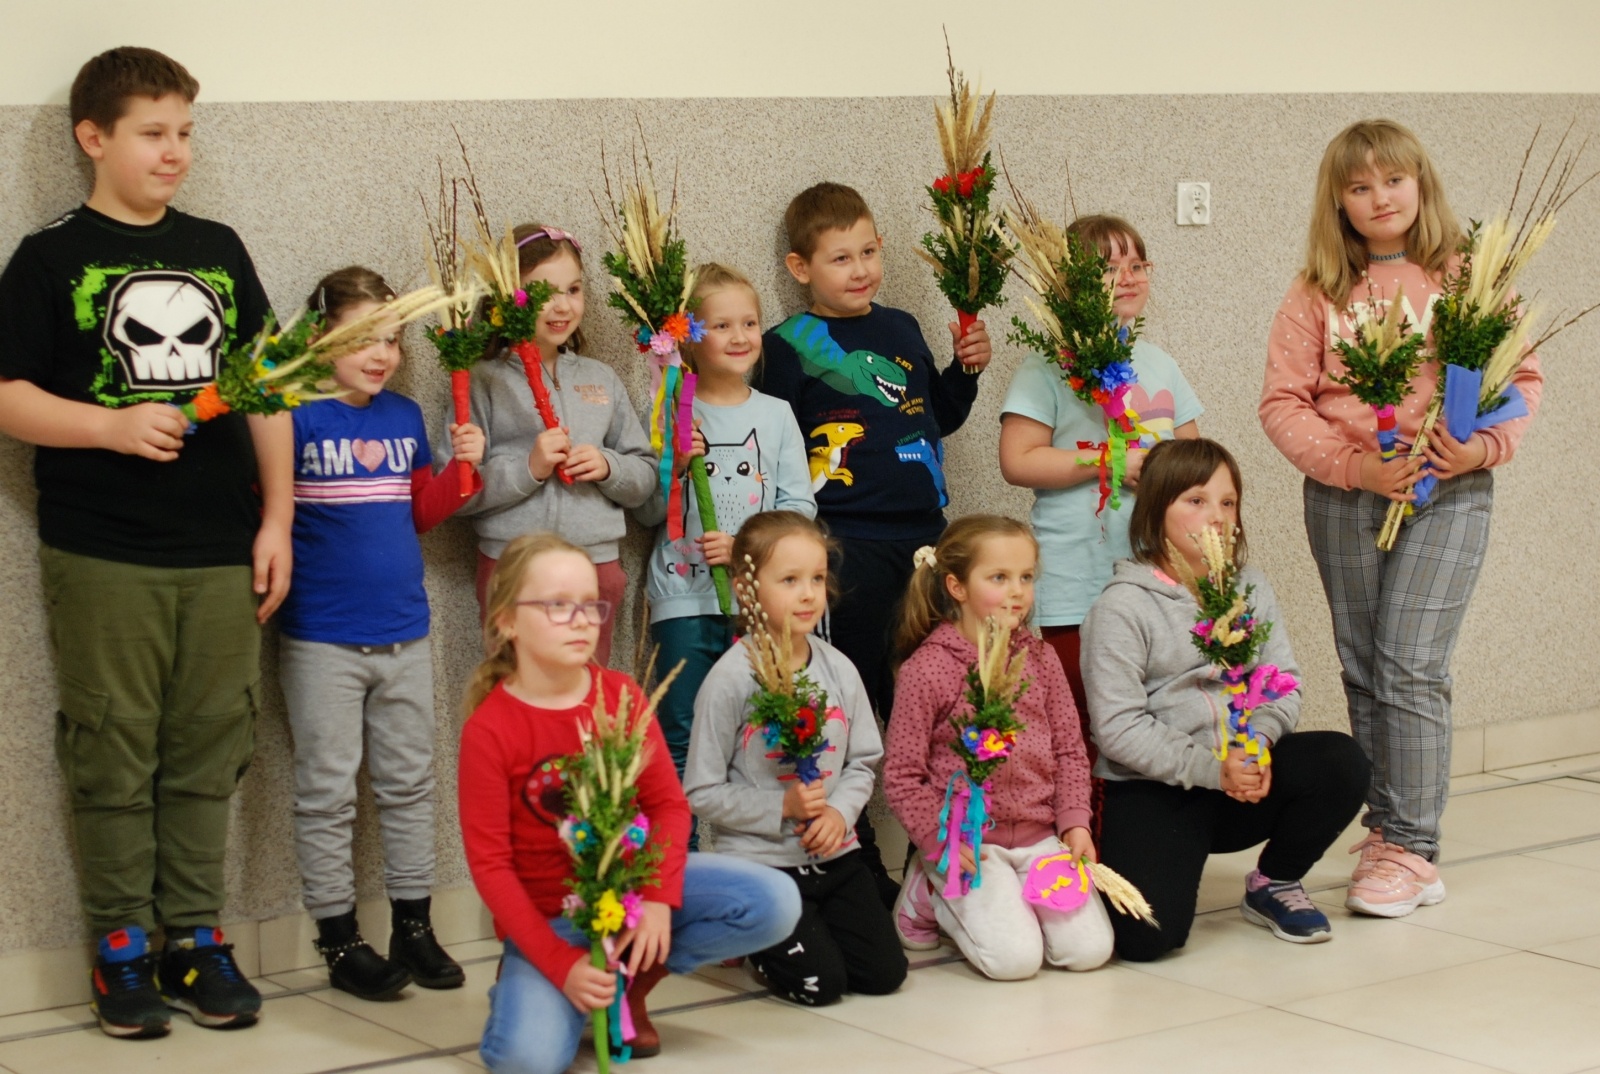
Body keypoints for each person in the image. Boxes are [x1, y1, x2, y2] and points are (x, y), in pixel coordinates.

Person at [0, 47, 288, 1037]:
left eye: (185, 133)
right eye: (154, 134)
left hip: (218, 546)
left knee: (210, 746)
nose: (176, 154)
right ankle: (120, 944)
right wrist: (111, 424)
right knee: (113, 750)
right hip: (104, 550)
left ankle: (194, 942)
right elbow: (8, 396)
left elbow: (268, 389)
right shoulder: (49, 258)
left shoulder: (218, 244)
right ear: (95, 137)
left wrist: (279, 517)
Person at [1259, 119, 1543, 916]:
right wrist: (1357, 467)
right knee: (1365, 663)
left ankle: (1414, 846)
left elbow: (1522, 376)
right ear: (1338, 202)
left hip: (1449, 491)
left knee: (1411, 661)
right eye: (1359, 186)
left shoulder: (1468, 275)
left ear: (1421, 183)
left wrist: (1479, 449)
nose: (1379, 197)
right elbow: (1282, 402)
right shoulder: (1316, 287)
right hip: (1348, 495)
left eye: (1392, 180)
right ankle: (1385, 828)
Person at [459, 532, 800, 1073]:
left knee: (775, 900)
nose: (580, 619)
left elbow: (667, 806)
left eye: (590, 604)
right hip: (553, 921)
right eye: (556, 605)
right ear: (505, 621)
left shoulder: (619, 695)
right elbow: (492, 868)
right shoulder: (490, 730)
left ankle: (625, 985)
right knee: (526, 1060)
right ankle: (536, 985)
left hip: (634, 896)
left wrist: (660, 898)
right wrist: (560, 965)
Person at [756, 181, 992, 903]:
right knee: (851, 704)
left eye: (868, 252)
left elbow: (937, 418)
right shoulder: (785, 348)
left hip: (927, 544)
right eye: (838, 259)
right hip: (848, 546)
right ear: (801, 270)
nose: (859, 270)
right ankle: (858, 862)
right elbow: (775, 444)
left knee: (931, 701)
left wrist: (965, 373)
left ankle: (946, 852)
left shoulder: (902, 327)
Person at [278, 267, 483, 1000]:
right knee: (327, 792)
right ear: (318, 334)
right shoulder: (290, 415)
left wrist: (464, 468)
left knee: (409, 784)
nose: (382, 353)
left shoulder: (401, 417)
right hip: (322, 638)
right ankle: (337, 940)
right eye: (363, 337)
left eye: (393, 339)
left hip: (405, 634)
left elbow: (421, 514)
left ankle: (415, 926)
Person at [1082, 439, 1369, 960]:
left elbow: (1283, 680)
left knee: (1340, 761)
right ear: (1156, 509)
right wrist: (1214, 770)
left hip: (1244, 781)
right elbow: (1118, 728)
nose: (1215, 516)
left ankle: (1274, 884)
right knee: (1147, 940)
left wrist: (1256, 743)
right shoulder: (1122, 606)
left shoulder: (1251, 588)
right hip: (1160, 786)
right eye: (1195, 500)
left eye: (1227, 502)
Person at [998, 213, 1203, 831]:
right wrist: (1112, 458)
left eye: (1136, 264)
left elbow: (1195, 465)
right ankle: (1078, 853)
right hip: (1076, 585)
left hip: (1157, 586)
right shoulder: (1045, 368)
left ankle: (1146, 843)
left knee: (1153, 720)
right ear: (1068, 286)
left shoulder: (1160, 365)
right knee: (1081, 726)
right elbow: (1018, 461)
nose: (1126, 277)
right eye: (1108, 268)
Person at [685, 511, 906, 1006]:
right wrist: (779, 808)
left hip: (834, 856)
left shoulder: (839, 667)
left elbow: (863, 760)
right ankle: (747, 929)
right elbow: (700, 790)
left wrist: (839, 812)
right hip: (764, 866)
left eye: (818, 579)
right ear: (746, 590)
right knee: (820, 986)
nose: (809, 594)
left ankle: (815, 923)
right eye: (790, 580)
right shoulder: (730, 679)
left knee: (883, 975)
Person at [884, 515, 1114, 980]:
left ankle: (1010, 896)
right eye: (999, 578)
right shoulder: (926, 670)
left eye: (1026, 577)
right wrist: (937, 841)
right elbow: (902, 776)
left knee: (1088, 951)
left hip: (1039, 837)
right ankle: (926, 891)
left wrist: (1074, 823)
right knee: (1014, 962)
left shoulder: (1041, 659)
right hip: (967, 842)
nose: (1018, 592)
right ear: (956, 586)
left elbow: (1071, 750)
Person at [436, 225, 656, 667]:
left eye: (573, 289)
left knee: (588, 700)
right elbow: (454, 492)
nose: (561, 305)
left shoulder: (603, 379)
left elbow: (645, 476)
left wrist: (610, 467)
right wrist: (528, 469)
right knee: (514, 696)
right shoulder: (479, 381)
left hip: (594, 568)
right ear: (507, 301)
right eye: (542, 293)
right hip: (512, 570)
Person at [637, 264, 814, 786]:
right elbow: (645, 514)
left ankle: (758, 855)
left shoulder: (778, 414)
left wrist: (748, 547)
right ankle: (682, 861)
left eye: (750, 323)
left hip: (759, 604)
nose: (740, 336)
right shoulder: (666, 413)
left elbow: (800, 510)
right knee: (680, 733)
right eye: (721, 326)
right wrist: (676, 462)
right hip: (682, 599)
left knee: (764, 736)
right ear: (689, 337)